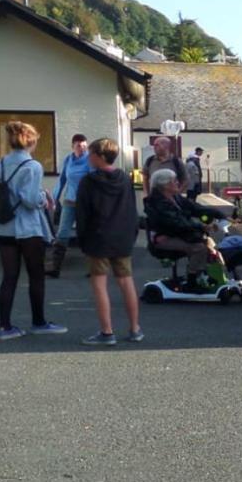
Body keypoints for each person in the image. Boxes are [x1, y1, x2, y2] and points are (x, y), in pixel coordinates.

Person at [0, 121, 67, 340]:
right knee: (36, 275)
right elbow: (31, 200)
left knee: (9, 277)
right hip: (28, 228)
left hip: (2, 226)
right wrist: (44, 197)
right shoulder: (33, 166)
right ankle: (39, 322)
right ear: (31, 141)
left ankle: (5, 327)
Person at [76, 138, 142, 346]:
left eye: (92, 153)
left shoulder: (88, 182)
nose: (88, 156)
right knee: (126, 281)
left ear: (99, 156)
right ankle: (134, 328)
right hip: (122, 238)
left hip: (97, 238)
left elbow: (82, 215)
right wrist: (131, 234)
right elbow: (132, 209)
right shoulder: (124, 179)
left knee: (99, 284)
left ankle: (107, 332)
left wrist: (83, 240)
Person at [145, 167, 219, 289]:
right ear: (165, 185)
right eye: (174, 181)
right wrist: (202, 226)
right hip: (163, 238)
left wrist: (217, 213)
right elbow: (177, 223)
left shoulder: (175, 198)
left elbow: (194, 207)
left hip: (174, 234)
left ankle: (202, 274)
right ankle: (192, 280)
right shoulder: (159, 202)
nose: (178, 183)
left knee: (206, 243)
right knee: (198, 248)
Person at [47, 133, 91, 278]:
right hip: (70, 201)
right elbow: (62, 180)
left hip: (86, 203)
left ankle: (93, 268)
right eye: (79, 146)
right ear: (73, 146)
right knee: (62, 233)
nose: (82, 148)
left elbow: (95, 182)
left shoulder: (90, 160)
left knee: (86, 233)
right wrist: (53, 200)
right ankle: (55, 267)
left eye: (85, 146)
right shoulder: (68, 160)